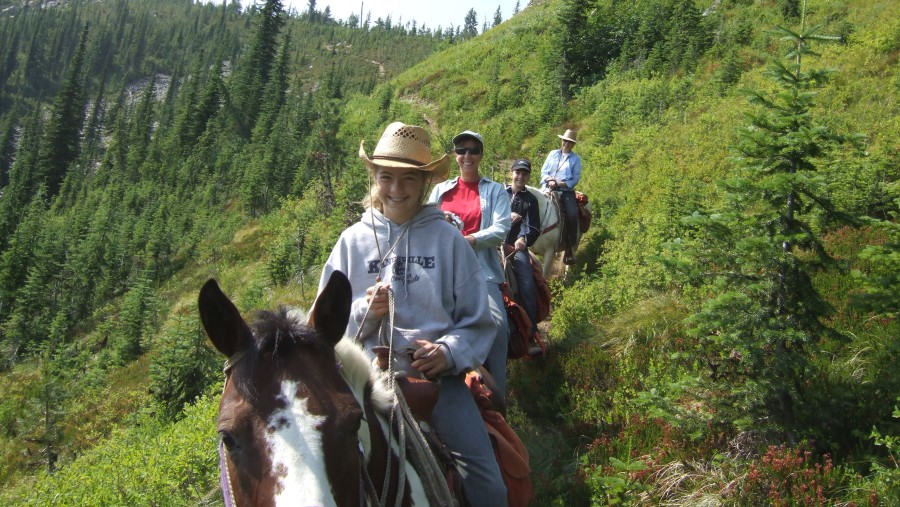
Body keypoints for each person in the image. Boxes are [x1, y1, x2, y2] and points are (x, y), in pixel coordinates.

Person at [318, 122, 507, 507]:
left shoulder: (448, 239)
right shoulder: (351, 242)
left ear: (423, 183)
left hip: (436, 383)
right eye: (386, 176)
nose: (396, 189)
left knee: (489, 488)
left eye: (408, 179)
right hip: (364, 381)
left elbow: (478, 318)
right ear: (374, 177)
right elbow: (320, 325)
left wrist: (448, 352)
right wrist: (364, 312)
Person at [429, 129, 512, 398]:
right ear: (455, 156)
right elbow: (424, 221)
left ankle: (499, 394)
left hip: (480, 271)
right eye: (461, 150)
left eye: (473, 150)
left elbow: (501, 228)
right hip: (441, 268)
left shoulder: (495, 190)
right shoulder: (440, 190)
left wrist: (470, 240)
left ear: (480, 155)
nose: (467, 155)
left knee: (498, 326)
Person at [504, 158, 542, 355]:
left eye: (524, 173)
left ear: (528, 176)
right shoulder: (500, 193)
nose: (520, 176)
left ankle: (531, 333)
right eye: (517, 172)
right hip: (493, 243)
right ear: (511, 173)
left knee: (526, 284)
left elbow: (535, 227)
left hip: (515, 247)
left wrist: (523, 239)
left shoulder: (531, 200)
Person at [539, 128, 582, 264]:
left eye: (569, 142)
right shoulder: (552, 154)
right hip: (547, 188)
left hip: (565, 191)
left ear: (573, 144)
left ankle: (570, 247)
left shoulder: (575, 159)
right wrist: (548, 180)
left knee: (572, 215)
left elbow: (575, 179)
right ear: (561, 140)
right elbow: (544, 171)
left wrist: (562, 183)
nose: (566, 144)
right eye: (565, 141)